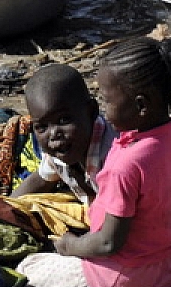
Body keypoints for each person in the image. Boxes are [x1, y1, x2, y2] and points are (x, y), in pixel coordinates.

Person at [17, 38, 171, 287]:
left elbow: (109, 244)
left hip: (123, 276)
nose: (104, 110)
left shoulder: (123, 164)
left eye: (107, 100)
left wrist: (71, 247)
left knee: (26, 269)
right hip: (170, 266)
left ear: (140, 105)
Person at [11, 64, 114, 206]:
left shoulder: (113, 155)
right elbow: (41, 180)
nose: (54, 134)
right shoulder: (61, 150)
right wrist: (4, 205)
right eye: (42, 127)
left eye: (64, 120)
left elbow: (121, 219)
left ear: (91, 112)